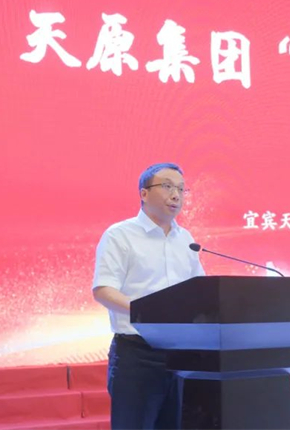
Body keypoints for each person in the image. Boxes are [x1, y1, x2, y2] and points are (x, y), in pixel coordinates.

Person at [92, 162, 205, 429]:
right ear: (144, 193)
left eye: (181, 189)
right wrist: (149, 310)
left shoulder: (185, 239)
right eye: (167, 186)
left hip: (180, 354)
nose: (176, 195)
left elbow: (199, 289)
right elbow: (103, 290)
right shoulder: (120, 235)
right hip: (137, 354)